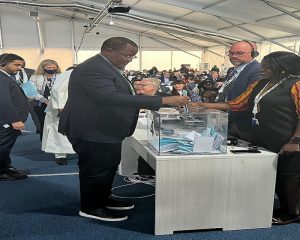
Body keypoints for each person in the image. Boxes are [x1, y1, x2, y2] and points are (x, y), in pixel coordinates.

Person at [58, 37, 189, 222]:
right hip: (91, 129)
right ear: (109, 50)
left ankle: (103, 198)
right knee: (95, 170)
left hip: (105, 129)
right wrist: (162, 101)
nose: (129, 59)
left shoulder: (108, 66)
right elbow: (109, 97)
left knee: (108, 166)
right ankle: (91, 207)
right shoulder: (93, 68)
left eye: (132, 57)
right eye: (127, 55)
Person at [189, 51, 300, 225]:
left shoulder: (296, 84)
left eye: (267, 66)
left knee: (290, 177)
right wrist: (204, 104)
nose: (262, 69)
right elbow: (238, 104)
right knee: (276, 176)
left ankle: (292, 212)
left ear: (282, 67)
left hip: (289, 140)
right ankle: (286, 207)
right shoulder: (262, 84)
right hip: (265, 137)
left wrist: (296, 140)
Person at [216, 40, 262, 141]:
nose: (234, 56)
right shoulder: (233, 70)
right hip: (226, 122)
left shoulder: (257, 70)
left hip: (241, 126)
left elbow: (247, 100)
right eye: (231, 53)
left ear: (253, 54)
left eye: (239, 53)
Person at [0, 53, 29, 180]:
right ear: (3, 63)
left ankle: (6, 167)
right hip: (6, 120)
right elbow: (3, 100)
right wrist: (14, 119)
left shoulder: (5, 77)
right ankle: (2, 172)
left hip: (7, 120)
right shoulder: (1, 78)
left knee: (5, 146)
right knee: (3, 146)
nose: (20, 68)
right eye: (16, 65)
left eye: (21, 66)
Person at [42, 67, 76, 165]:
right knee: (60, 133)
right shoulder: (70, 73)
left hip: (76, 108)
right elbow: (58, 90)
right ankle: (60, 156)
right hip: (62, 108)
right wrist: (60, 108)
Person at [30, 59, 62, 141]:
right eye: (48, 67)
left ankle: (56, 142)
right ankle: (45, 142)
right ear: (43, 68)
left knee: (57, 123)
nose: (51, 69)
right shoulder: (35, 77)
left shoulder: (61, 76)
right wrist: (44, 100)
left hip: (58, 104)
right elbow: (31, 91)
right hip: (40, 104)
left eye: (54, 67)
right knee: (43, 123)